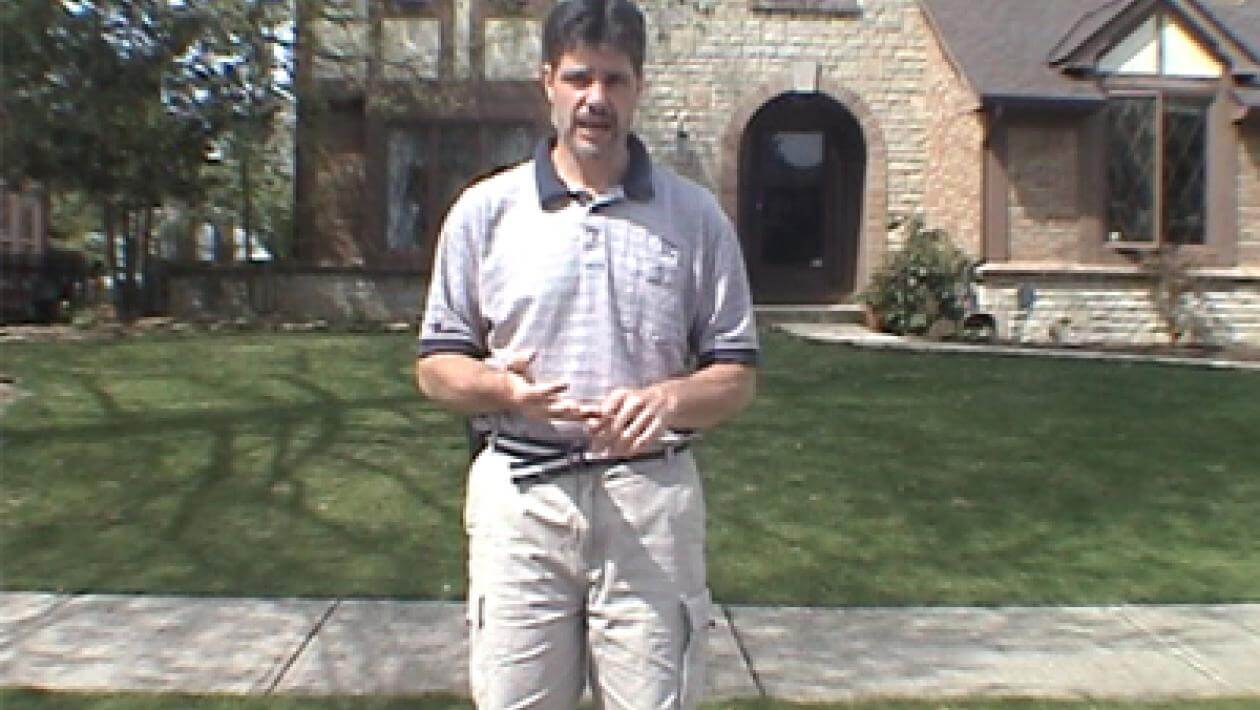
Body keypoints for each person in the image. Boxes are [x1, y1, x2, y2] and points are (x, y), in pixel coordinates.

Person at [415, 0, 759, 706]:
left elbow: (735, 377)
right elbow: (435, 368)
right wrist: (501, 390)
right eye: (579, 78)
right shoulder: (486, 212)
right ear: (547, 81)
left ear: (639, 86)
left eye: (615, 79)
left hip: (650, 500)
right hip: (521, 499)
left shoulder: (695, 218)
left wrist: (668, 399)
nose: (596, 99)